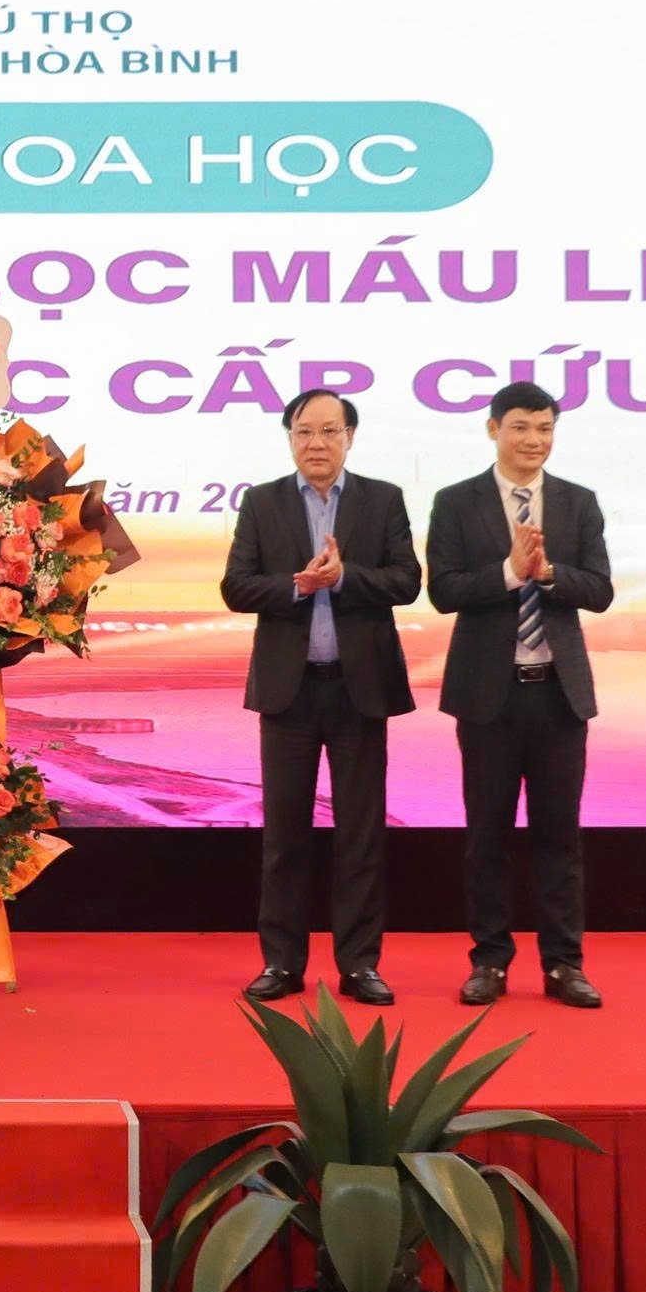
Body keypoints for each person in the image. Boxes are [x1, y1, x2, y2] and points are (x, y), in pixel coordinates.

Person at [221, 389, 422, 1007]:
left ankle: (360, 965)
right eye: (305, 431)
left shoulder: (382, 499)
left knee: (361, 834)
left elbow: (407, 581)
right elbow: (236, 587)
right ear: (290, 438)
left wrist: (346, 577)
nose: (317, 443)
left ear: (349, 437)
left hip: (360, 689)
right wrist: (299, 586)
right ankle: (281, 963)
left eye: (329, 431)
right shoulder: (263, 502)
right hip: (290, 691)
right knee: (285, 836)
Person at [426, 382, 615, 1010]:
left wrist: (550, 573)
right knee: (487, 837)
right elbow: (444, 591)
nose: (534, 440)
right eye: (521, 428)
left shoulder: (578, 502)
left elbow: (600, 589)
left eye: (545, 428)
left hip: (559, 696)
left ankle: (563, 964)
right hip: (489, 696)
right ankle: (489, 961)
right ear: (493, 429)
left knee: (560, 837)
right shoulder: (456, 502)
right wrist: (510, 572)